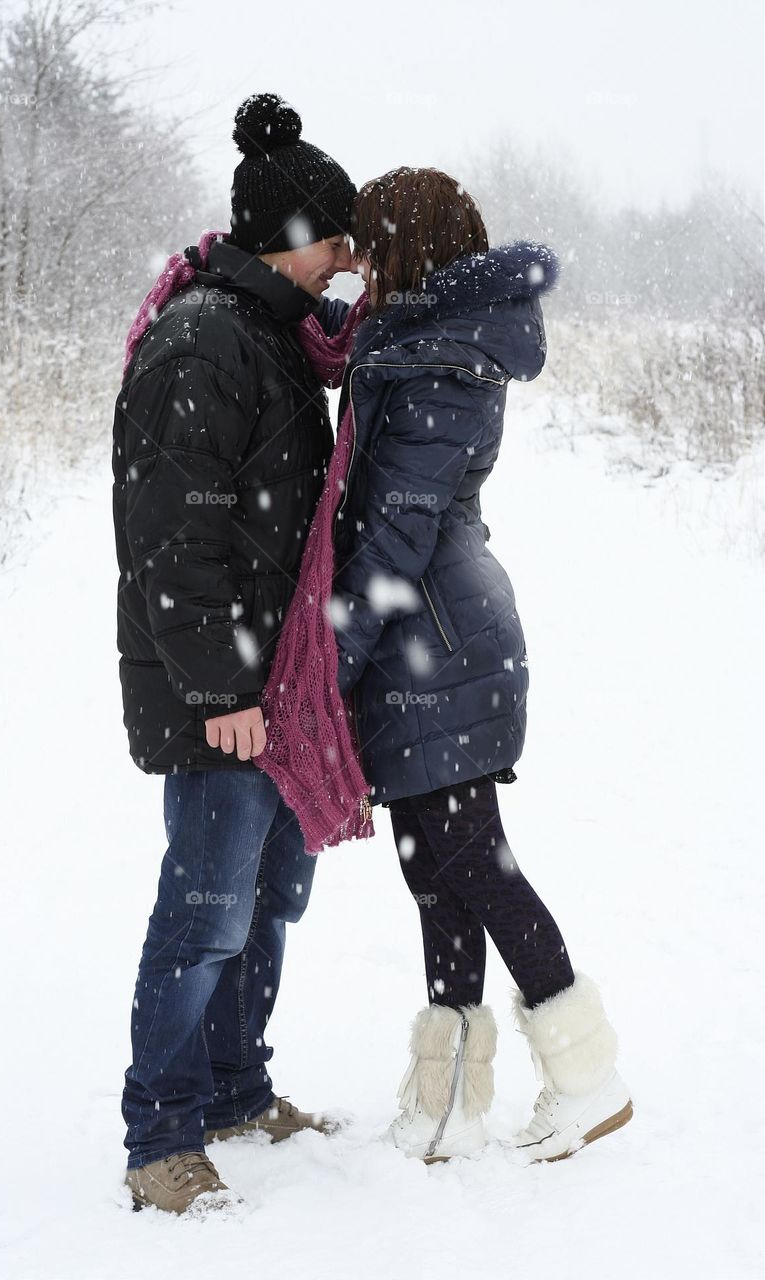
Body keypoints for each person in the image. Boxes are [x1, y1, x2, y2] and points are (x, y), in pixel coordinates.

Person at [329, 167, 633, 1163]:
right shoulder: (420, 348)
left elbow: (394, 538)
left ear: (407, 248)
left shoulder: (441, 365)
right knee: (435, 867)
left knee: (472, 860)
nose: (361, 264)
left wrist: (331, 657)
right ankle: (451, 1096)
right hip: (435, 633)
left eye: (373, 245)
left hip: (438, 643)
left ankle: (586, 1077)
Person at [111, 93, 356, 1214]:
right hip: (224, 692)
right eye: (336, 243)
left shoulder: (265, 337)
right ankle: (160, 1133)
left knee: (266, 898)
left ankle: (232, 1085)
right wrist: (219, 686)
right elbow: (174, 531)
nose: (344, 266)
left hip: (273, 689)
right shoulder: (204, 339)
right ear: (291, 239)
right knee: (206, 908)